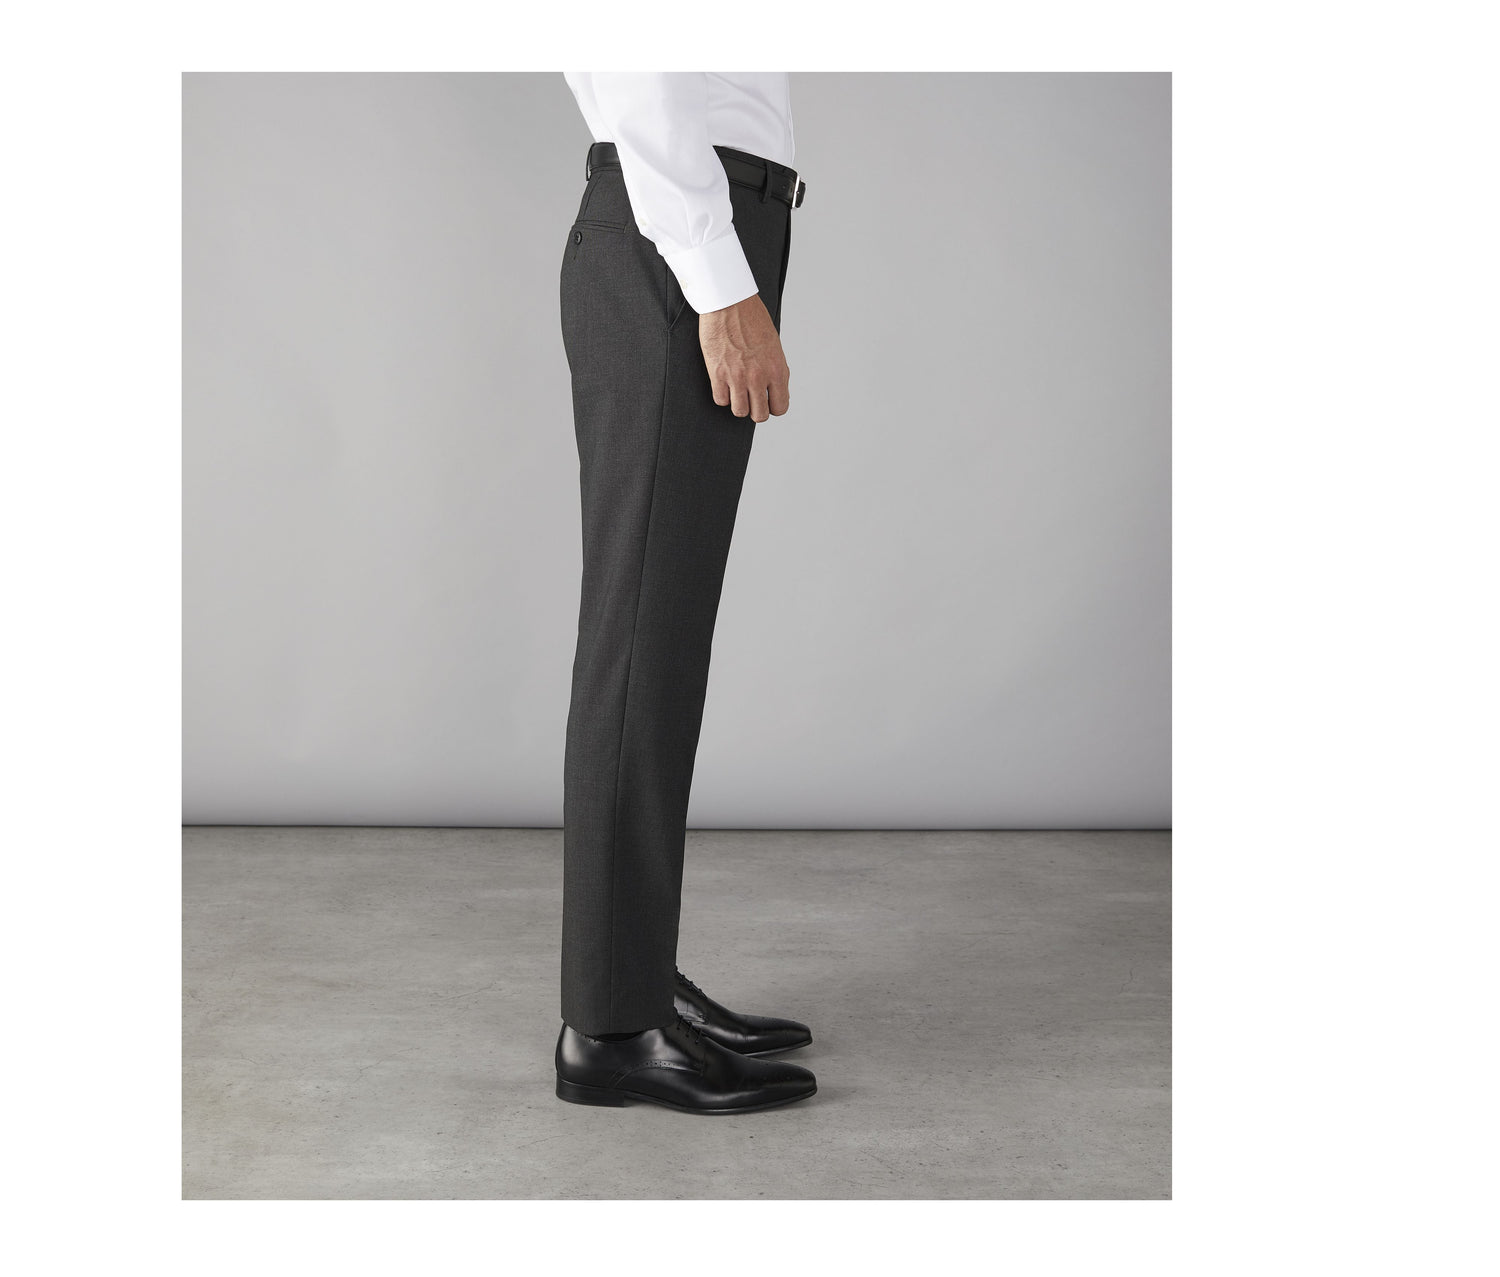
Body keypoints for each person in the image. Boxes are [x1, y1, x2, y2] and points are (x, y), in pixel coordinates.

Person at [553, 72, 817, 1114]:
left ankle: (636, 976)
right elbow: (636, 67)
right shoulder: (696, 246)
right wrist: (717, 276)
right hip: (677, 236)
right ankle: (613, 1027)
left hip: (698, 225)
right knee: (639, 646)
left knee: (658, 641)